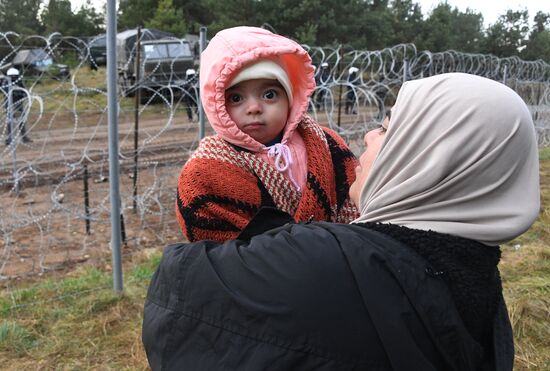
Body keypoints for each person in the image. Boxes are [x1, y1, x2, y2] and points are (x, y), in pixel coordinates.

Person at [144, 73, 539, 370]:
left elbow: (177, 302)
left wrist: (278, 242)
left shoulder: (324, 265)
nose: (368, 136)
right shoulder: (476, 275)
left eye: (387, 127)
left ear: (429, 156)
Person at [175, 26, 359, 242]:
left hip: (339, 259)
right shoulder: (208, 171)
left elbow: (356, 201)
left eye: (269, 94)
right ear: (217, 105)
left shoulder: (326, 144)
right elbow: (220, 248)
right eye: (236, 98)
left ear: (290, 99)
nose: (254, 108)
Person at [1, 68, 32, 145]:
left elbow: (24, 92)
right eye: (13, 77)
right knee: (10, 122)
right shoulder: (6, 83)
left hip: (18, 104)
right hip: (10, 105)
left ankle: (24, 137)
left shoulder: (18, 82)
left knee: (21, 121)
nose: (14, 78)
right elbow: (7, 91)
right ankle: (10, 139)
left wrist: (22, 94)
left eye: (15, 77)